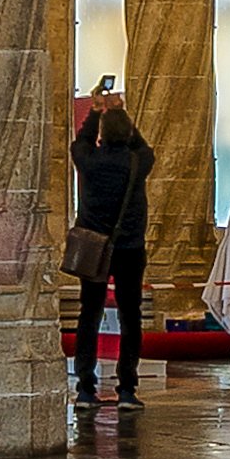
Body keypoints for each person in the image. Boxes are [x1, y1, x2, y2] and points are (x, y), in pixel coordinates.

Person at [67, 82, 156, 409]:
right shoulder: (139, 162)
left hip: (94, 248)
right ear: (128, 132)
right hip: (130, 249)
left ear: (103, 135)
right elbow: (143, 146)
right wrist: (119, 111)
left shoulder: (88, 162)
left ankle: (86, 389)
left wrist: (96, 109)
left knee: (88, 314)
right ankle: (127, 389)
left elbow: (81, 141)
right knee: (131, 317)